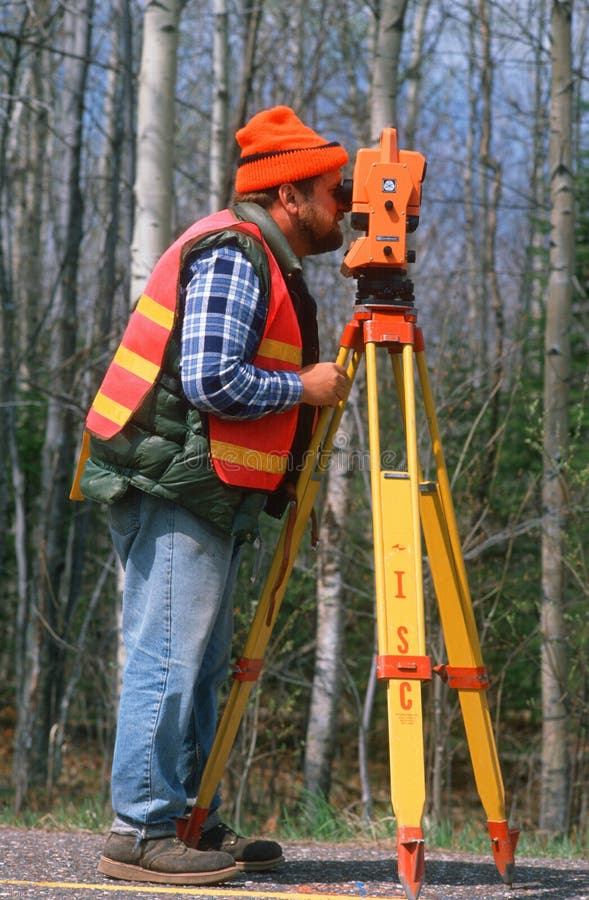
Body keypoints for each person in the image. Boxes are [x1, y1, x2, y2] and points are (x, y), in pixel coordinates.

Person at [71, 105, 350, 886]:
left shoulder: (262, 253)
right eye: (334, 191)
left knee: (199, 663)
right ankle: (142, 831)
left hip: (201, 484)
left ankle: (188, 819)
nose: (346, 208)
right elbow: (210, 378)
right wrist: (305, 388)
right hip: (172, 482)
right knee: (169, 657)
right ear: (288, 197)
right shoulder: (237, 251)